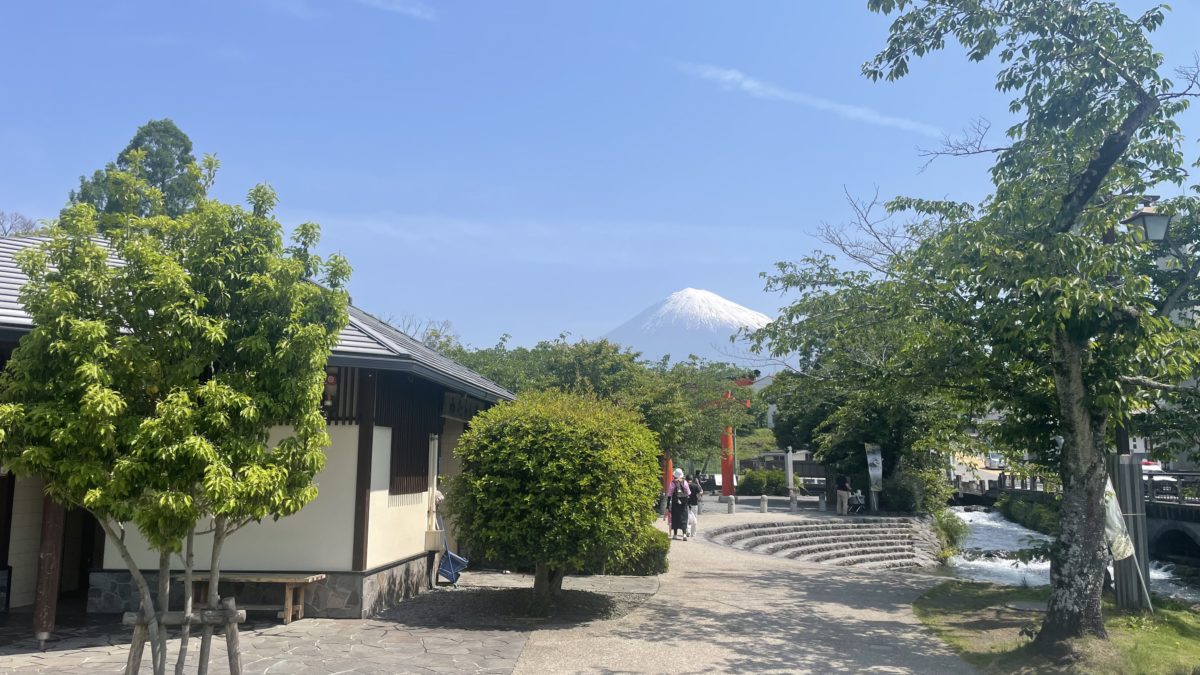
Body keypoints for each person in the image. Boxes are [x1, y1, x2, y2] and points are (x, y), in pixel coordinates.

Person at [666, 468, 691, 540]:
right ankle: (684, 535)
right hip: (684, 504)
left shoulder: (673, 483)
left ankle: (675, 535)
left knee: (675, 518)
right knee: (684, 518)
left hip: (675, 503)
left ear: (674, 476)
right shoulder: (685, 482)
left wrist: (667, 506)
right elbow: (689, 493)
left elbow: (669, 495)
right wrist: (688, 504)